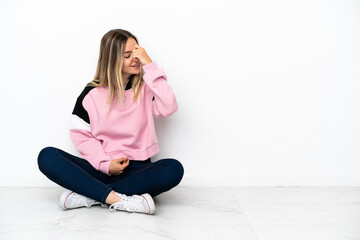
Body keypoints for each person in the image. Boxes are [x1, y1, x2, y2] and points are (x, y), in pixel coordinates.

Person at [37, 29, 184, 215]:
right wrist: (106, 164)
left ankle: (91, 195)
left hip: (139, 170)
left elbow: (169, 107)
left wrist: (150, 66)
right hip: (100, 168)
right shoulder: (91, 93)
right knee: (47, 156)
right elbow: (81, 135)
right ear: (112, 58)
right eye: (127, 55)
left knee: (173, 169)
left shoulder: (146, 87)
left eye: (138, 53)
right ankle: (119, 199)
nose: (136, 59)